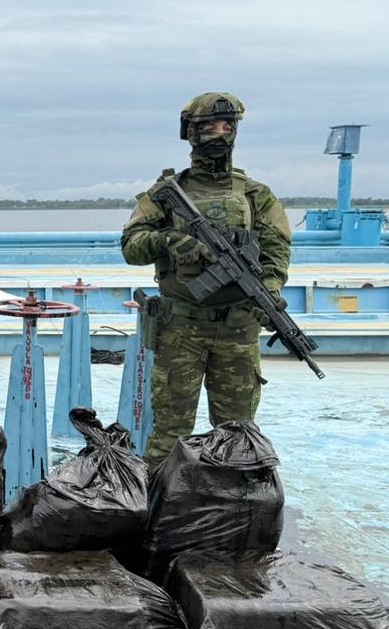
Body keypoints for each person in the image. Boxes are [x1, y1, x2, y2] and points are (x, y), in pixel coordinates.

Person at [121, 92, 291, 469]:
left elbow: (276, 251)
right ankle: (160, 498)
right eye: (211, 126)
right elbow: (131, 247)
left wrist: (271, 291)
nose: (220, 133)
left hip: (238, 328)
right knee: (170, 432)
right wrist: (169, 240)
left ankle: (229, 500)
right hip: (180, 328)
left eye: (228, 126)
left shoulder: (255, 195)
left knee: (238, 434)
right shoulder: (166, 194)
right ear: (192, 132)